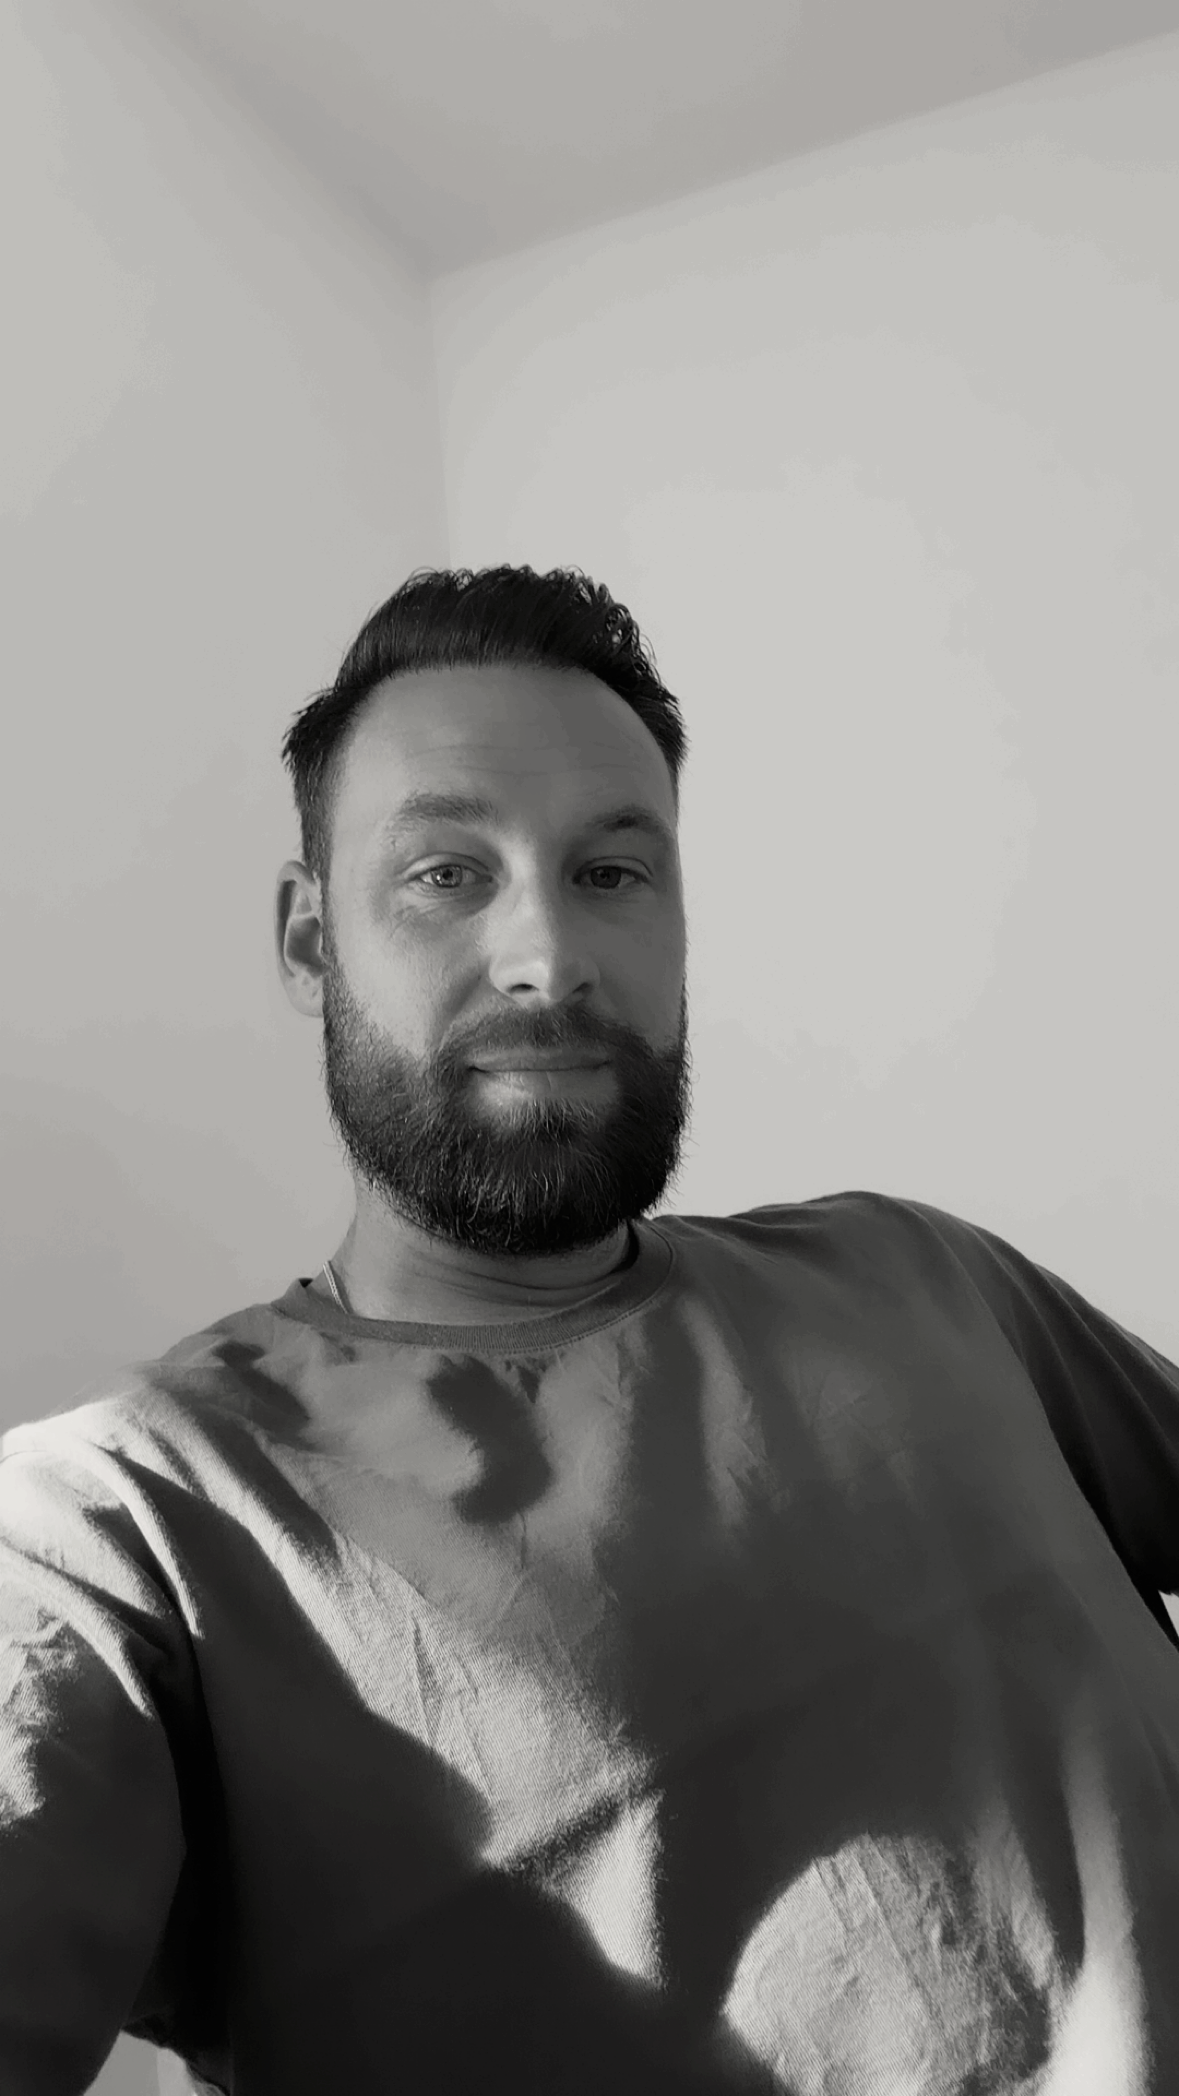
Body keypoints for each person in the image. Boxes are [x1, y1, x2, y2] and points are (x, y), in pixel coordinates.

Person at [2, 565, 1178, 2096]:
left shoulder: (922, 1276)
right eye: (445, 874)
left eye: (612, 871)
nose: (548, 957)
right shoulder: (125, 1524)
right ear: (306, 943)